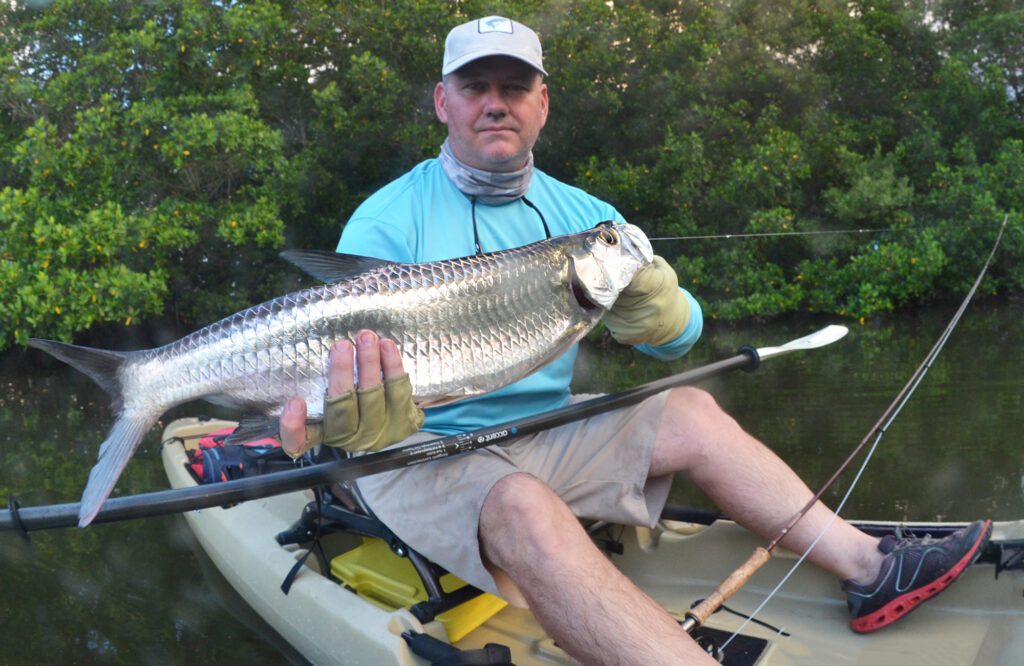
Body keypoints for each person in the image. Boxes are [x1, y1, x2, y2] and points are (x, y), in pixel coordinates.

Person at [279, 16, 991, 663]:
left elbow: (676, 342)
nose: (495, 102)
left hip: (542, 431)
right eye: (475, 88)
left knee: (689, 409)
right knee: (521, 501)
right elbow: (347, 385)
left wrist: (664, 312)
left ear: (542, 103)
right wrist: (351, 422)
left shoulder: (590, 222)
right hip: (421, 454)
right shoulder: (387, 219)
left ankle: (873, 568)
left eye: (514, 87)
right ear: (444, 102)